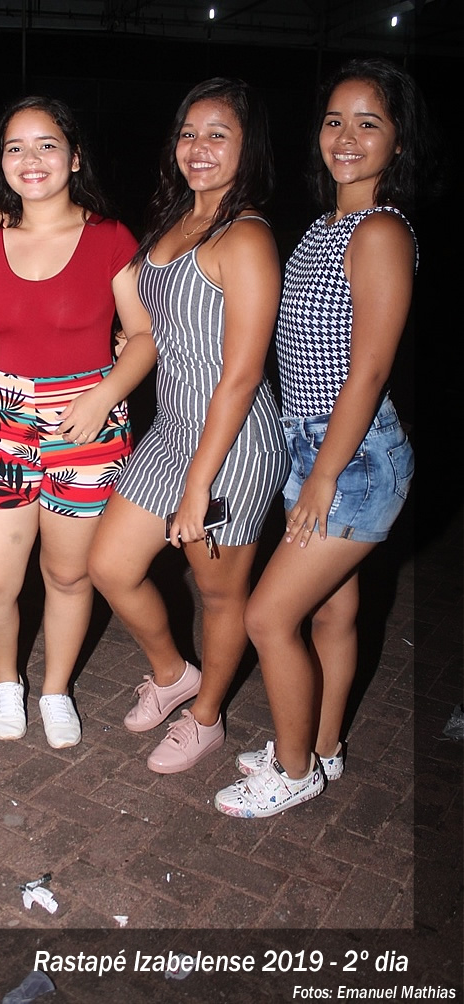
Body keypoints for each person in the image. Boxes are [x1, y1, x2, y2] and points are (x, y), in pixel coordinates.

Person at [214, 58, 426, 818]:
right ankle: (324, 745)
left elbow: (369, 372)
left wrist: (325, 475)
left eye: (369, 123)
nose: (346, 137)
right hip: (311, 444)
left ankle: (293, 767)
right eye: (335, 120)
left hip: (351, 457)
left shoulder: (379, 231)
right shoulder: (324, 227)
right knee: (332, 612)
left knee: (267, 616)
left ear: (397, 142)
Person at [88, 77, 290, 773]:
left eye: (217, 135)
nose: (198, 148)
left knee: (218, 592)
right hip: (172, 428)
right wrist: (135, 339)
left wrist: (199, 486)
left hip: (232, 445)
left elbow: (241, 374)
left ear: (247, 147)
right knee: (109, 565)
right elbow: (161, 321)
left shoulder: (247, 236)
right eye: (188, 133)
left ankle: (206, 718)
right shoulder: (174, 220)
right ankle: (175, 674)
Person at [0, 96, 155, 749]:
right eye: (15, 147)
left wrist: (105, 394)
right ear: (1, 162)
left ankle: (56, 688)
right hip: (5, 420)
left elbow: (144, 335)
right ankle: (6, 681)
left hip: (86, 423)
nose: (30, 159)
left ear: (73, 158)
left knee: (68, 575)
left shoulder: (110, 238)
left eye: (46, 145)